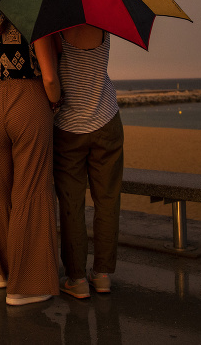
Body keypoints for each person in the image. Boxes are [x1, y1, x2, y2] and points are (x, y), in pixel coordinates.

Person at [0, 8, 62, 306]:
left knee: (0, 191)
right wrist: (56, 101)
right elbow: (49, 77)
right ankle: (27, 286)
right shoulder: (36, 16)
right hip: (28, 98)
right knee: (32, 189)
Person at [52, 24, 124, 299]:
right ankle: (103, 275)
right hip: (107, 120)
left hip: (69, 127)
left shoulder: (55, 30)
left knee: (71, 203)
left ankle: (77, 278)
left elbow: (53, 81)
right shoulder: (105, 25)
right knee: (107, 199)